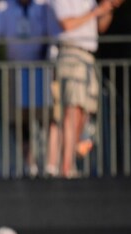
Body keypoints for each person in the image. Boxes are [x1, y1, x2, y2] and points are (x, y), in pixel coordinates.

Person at [46, 0, 125, 177]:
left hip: (88, 56)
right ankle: (65, 167)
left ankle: (68, 162)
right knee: (71, 110)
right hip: (70, 53)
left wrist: (107, 8)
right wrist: (96, 12)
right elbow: (67, 24)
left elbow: (100, 28)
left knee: (84, 111)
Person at [0, 0, 60, 176]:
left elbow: (55, 33)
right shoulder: (4, 6)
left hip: (43, 69)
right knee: (18, 120)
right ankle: (30, 163)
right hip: (17, 70)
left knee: (50, 118)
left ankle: (51, 165)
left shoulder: (44, 4)